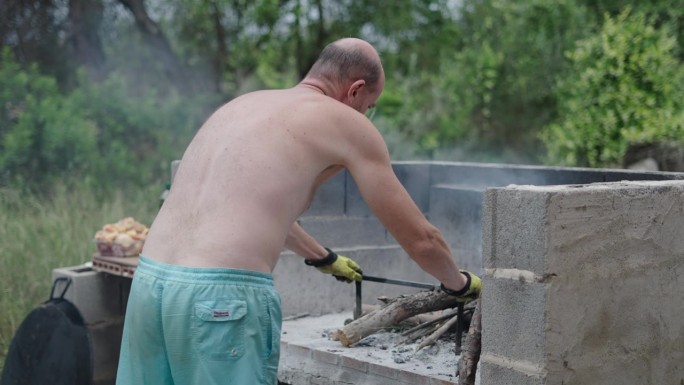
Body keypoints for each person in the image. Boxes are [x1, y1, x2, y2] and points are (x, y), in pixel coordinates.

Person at [116, 37, 481, 385]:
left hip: (151, 285)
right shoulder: (348, 123)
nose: (368, 115)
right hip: (221, 299)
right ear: (354, 91)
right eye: (371, 105)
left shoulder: (242, 106)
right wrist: (460, 283)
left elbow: (251, 209)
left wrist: (324, 258)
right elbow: (421, 239)